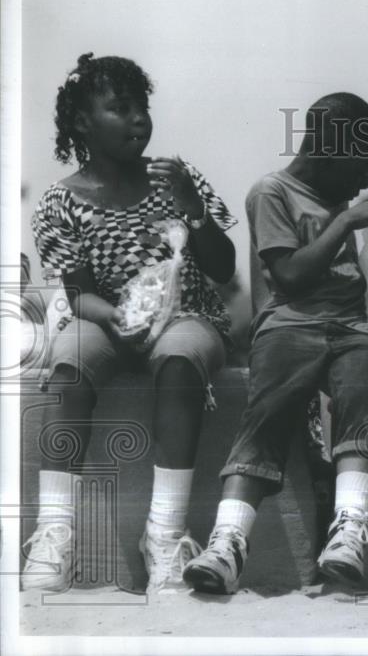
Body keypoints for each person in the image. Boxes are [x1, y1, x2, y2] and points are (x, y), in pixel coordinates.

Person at [23, 53, 238, 594]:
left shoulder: (175, 179)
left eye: (142, 107)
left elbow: (222, 266)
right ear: (80, 123)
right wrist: (117, 318)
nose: (138, 119)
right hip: (107, 316)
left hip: (186, 312)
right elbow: (79, 294)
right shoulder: (59, 201)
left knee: (182, 358)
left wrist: (194, 210)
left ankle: (164, 537)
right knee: (70, 357)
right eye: (120, 108)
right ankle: (55, 534)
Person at [182, 93, 368, 594]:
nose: (365, 182)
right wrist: (344, 222)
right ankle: (229, 541)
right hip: (288, 324)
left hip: (348, 331)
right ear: (328, 150)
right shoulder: (271, 192)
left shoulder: (340, 201)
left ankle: (350, 528)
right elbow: (292, 276)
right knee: (268, 411)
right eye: (362, 167)